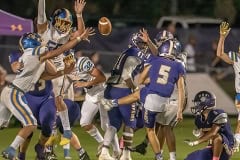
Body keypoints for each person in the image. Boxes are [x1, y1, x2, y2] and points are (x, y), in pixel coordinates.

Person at [0, 30, 89, 159]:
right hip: (15, 93)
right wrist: (79, 39)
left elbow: (49, 74)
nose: (41, 42)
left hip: (11, 92)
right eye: (38, 40)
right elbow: (60, 49)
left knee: (2, 125)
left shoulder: (35, 57)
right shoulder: (35, 52)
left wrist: (64, 71)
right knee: (31, 124)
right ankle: (11, 150)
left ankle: (15, 150)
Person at [37, 0, 87, 146]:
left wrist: (79, 15)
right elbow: (41, 13)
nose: (64, 26)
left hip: (61, 70)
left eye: (67, 23)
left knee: (61, 103)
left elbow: (80, 32)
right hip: (46, 68)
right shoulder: (45, 30)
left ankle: (62, 134)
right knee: (54, 103)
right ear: (53, 20)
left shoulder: (66, 35)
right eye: (61, 22)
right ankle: (58, 134)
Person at [98, 32, 148, 160]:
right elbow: (126, 75)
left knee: (114, 123)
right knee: (130, 123)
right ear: (135, 42)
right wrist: (134, 87)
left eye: (144, 44)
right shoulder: (135, 54)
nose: (143, 47)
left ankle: (104, 151)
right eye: (141, 43)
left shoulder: (126, 52)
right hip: (122, 89)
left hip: (110, 89)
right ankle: (126, 155)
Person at [184, 90, 234, 160]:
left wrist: (195, 142)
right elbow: (204, 137)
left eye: (198, 103)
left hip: (226, 149)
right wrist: (199, 134)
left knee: (217, 136)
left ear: (207, 103)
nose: (196, 105)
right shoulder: (199, 118)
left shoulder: (219, 113)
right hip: (211, 147)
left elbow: (213, 132)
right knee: (190, 158)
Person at [216, 21, 240, 152]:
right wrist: (222, 37)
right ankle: (234, 142)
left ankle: (232, 141)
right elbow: (219, 54)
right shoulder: (237, 59)